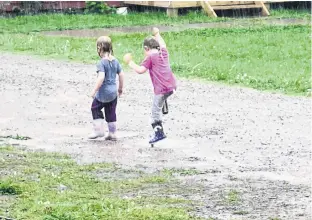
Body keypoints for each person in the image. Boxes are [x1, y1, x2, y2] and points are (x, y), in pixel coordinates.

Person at [123, 28, 177, 144]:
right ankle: (164, 106)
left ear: (146, 48)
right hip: (172, 85)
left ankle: (159, 133)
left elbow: (141, 70)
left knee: (154, 113)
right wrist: (157, 33)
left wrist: (130, 63)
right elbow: (163, 43)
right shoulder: (163, 51)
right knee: (163, 98)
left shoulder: (150, 57)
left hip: (161, 89)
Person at [89, 36, 124, 141]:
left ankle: (99, 131)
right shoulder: (115, 61)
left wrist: (94, 90)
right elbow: (122, 74)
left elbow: (101, 77)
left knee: (95, 108)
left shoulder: (101, 63)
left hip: (103, 93)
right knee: (111, 111)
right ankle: (112, 133)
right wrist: (120, 89)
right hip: (113, 93)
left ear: (99, 48)